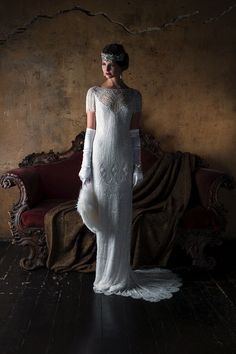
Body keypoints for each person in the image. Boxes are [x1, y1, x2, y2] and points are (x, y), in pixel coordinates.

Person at [77, 43, 182, 302]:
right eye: (103, 63)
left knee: (121, 214)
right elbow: (90, 133)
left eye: (112, 63)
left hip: (123, 160)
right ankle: (104, 275)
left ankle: (121, 274)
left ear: (122, 65)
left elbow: (135, 135)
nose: (107, 68)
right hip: (101, 158)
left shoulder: (135, 96)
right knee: (105, 217)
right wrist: (85, 165)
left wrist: (137, 166)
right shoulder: (93, 93)